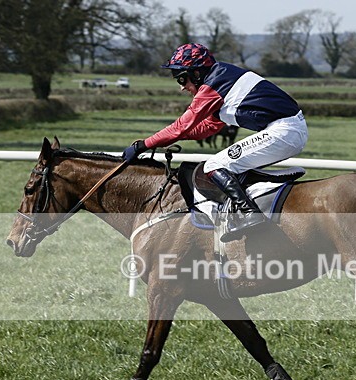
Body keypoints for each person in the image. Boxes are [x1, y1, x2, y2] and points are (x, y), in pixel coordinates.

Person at [122, 43, 308, 242]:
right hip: (287, 130)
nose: (181, 87)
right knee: (223, 164)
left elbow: (180, 126)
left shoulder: (213, 86)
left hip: (284, 131)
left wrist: (144, 144)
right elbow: (208, 128)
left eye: (181, 78)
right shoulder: (221, 79)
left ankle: (248, 214)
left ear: (196, 73)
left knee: (214, 164)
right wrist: (168, 139)